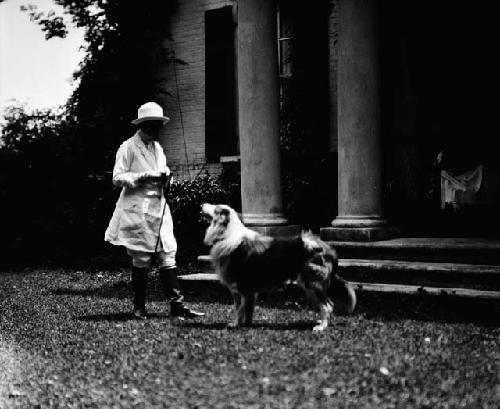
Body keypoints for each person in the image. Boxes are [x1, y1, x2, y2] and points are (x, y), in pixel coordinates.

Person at [105, 102, 204, 320]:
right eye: (153, 124)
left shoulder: (157, 148)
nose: (156, 129)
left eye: (159, 125)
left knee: (167, 253)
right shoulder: (128, 147)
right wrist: (143, 177)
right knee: (141, 257)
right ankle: (139, 306)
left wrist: (165, 176)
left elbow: (164, 171)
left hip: (158, 207)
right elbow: (117, 177)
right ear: (144, 124)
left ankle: (177, 306)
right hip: (137, 210)